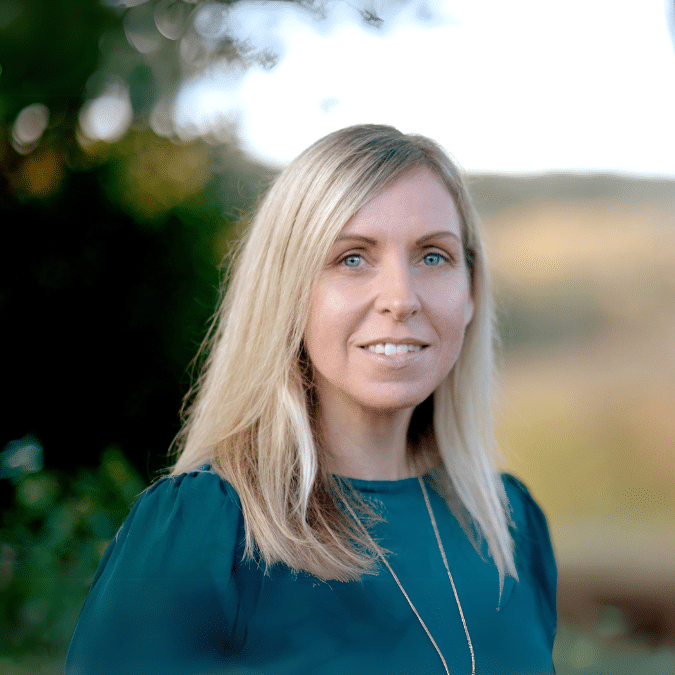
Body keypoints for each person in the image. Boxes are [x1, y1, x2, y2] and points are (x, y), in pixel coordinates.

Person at [65, 125, 557, 674]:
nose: (400, 298)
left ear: (471, 292)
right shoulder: (208, 534)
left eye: (433, 256)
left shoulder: (511, 527)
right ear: (288, 292)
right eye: (352, 258)